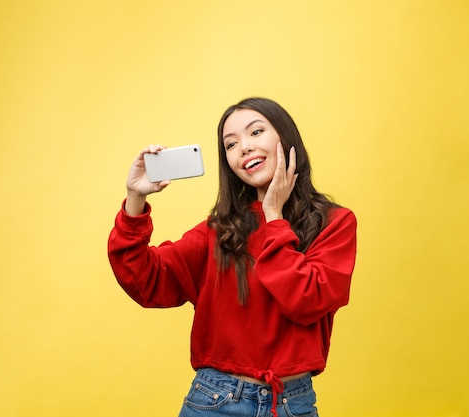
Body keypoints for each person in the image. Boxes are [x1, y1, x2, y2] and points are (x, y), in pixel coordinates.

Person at [108, 97, 357, 417]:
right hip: (216, 402)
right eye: (230, 144)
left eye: (256, 132)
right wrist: (135, 198)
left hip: (291, 404)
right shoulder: (219, 231)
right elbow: (146, 280)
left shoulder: (335, 223)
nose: (244, 147)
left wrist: (274, 217)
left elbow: (307, 298)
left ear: (285, 136)